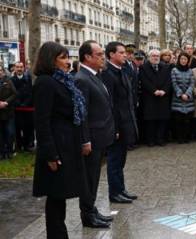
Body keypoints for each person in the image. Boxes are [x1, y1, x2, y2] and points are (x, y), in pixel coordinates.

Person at [32, 41, 87, 239]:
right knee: (56, 196)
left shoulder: (63, 80)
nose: (68, 62)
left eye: (68, 57)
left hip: (67, 145)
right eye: (63, 58)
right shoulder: (45, 82)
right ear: (50, 60)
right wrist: (50, 154)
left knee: (60, 196)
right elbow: (42, 121)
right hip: (56, 147)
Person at [75, 40, 115, 228]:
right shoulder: (82, 79)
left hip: (101, 136)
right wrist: (85, 140)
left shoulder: (95, 76)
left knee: (94, 177)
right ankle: (87, 214)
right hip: (91, 138)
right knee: (89, 178)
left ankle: (91, 209)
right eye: (99, 54)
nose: (103, 58)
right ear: (87, 57)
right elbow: (82, 115)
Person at [101, 42, 138, 204]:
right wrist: (114, 127)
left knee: (121, 159)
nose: (125, 55)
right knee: (114, 160)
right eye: (121, 53)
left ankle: (121, 189)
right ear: (111, 55)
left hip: (126, 122)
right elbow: (110, 104)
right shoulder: (107, 73)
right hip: (116, 125)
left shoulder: (122, 70)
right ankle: (114, 192)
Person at [139, 49, 172, 146]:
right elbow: (144, 81)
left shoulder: (166, 67)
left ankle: (160, 139)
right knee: (150, 120)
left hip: (163, 97)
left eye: (157, 56)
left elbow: (169, 81)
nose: (155, 57)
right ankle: (150, 140)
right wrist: (154, 91)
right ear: (149, 57)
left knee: (162, 119)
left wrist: (164, 91)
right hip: (150, 97)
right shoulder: (143, 68)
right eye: (153, 56)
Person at [171, 52, 195, 144]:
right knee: (178, 120)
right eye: (182, 59)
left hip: (188, 99)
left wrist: (188, 94)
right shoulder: (174, 70)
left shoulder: (190, 71)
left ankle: (186, 137)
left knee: (187, 120)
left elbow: (192, 83)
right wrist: (181, 94)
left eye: (185, 59)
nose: (183, 61)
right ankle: (179, 138)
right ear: (179, 60)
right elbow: (174, 83)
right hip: (178, 99)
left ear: (188, 61)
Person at [10, 61, 34, 152]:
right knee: (17, 127)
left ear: (24, 68)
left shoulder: (28, 79)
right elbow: (12, 93)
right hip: (16, 108)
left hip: (27, 108)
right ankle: (19, 146)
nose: (19, 69)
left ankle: (27, 145)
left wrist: (26, 103)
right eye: (17, 67)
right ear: (15, 68)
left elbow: (30, 92)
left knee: (27, 127)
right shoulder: (11, 80)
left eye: (21, 67)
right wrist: (17, 103)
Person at [0, 65, 16, 160]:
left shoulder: (8, 80)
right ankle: (2, 152)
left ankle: (10, 150)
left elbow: (15, 93)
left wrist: (6, 102)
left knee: (10, 132)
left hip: (8, 112)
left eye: (0, 70)